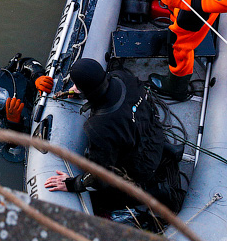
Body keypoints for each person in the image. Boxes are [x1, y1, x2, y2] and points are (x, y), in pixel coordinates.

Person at [43, 58, 184, 214]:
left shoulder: (99, 126)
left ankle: (159, 192)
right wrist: (83, 93)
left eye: (76, 85)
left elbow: (99, 177)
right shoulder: (122, 77)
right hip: (155, 135)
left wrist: (72, 184)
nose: (73, 88)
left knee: (101, 200)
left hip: (143, 167)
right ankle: (168, 151)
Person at [0, 53, 53, 134]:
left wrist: (38, 77)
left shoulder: (3, 78)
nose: (1, 97)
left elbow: (24, 62)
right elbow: (10, 141)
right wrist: (13, 122)